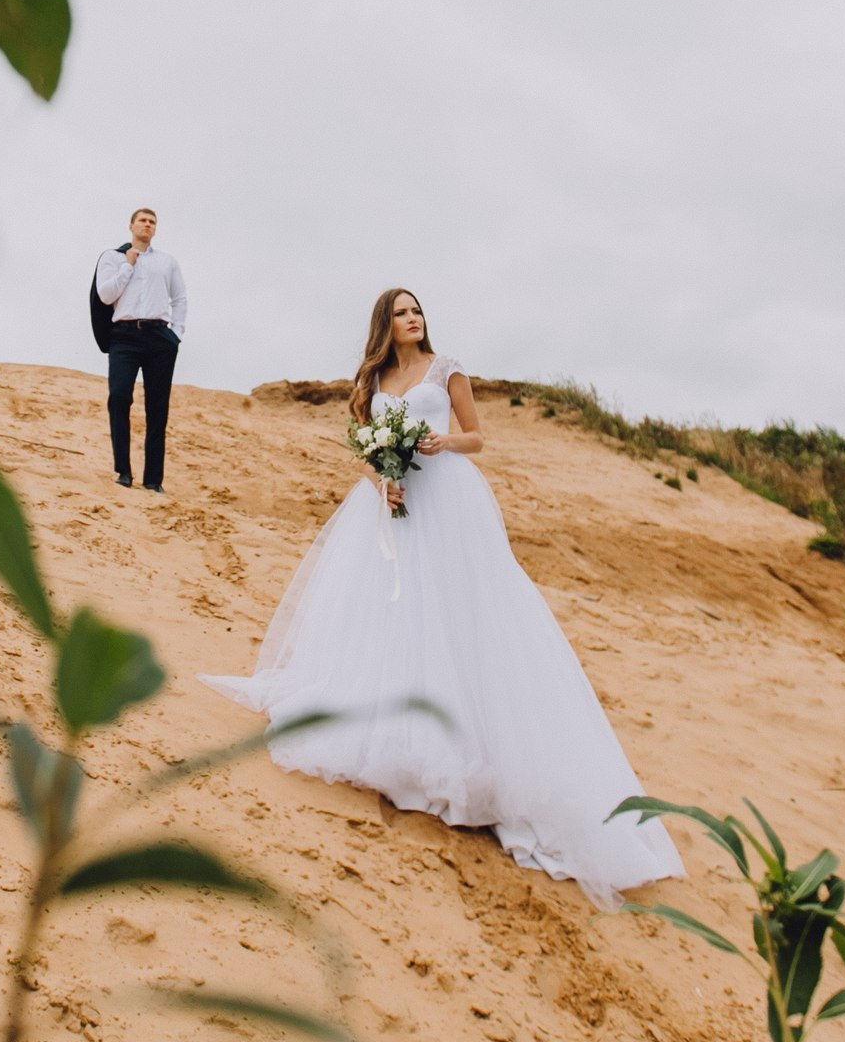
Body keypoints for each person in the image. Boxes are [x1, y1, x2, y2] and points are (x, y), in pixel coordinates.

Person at [202, 288, 683, 908]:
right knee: (389, 612)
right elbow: (365, 449)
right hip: (398, 502)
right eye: (402, 312)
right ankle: (391, 726)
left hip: (452, 499)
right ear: (386, 324)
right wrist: (384, 485)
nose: (413, 319)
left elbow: (477, 437)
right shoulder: (374, 379)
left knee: (462, 611)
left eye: (418, 311)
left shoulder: (446, 368)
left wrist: (439, 444)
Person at [96, 207, 186, 492]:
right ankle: (123, 471)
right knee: (119, 399)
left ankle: (153, 481)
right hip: (124, 336)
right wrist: (128, 266)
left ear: (155, 229)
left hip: (160, 336)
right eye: (142, 221)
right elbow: (105, 294)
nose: (147, 225)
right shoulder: (112, 258)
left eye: (152, 222)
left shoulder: (168, 262)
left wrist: (176, 335)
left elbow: (180, 298)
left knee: (157, 408)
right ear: (131, 226)